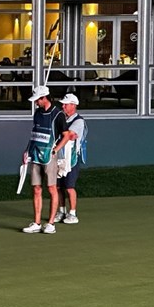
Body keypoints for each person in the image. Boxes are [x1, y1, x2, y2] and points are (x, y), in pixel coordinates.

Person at [22, 85, 72, 234]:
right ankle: (37, 223)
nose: (35, 102)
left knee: (51, 188)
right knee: (36, 189)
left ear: (44, 98)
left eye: (37, 100)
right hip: (35, 155)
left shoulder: (58, 115)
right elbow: (34, 133)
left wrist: (56, 150)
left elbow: (66, 135)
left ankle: (50, 223)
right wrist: (27, 150)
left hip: (49, 155)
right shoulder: (37, 113)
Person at [55, 93, 87, 225]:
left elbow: (70, 135)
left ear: (73, 105)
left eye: (65, 104)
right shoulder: (61, 118)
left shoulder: (79, 121)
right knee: (58, 187)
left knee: (69, 187)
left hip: (71, 158)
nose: (63, 106)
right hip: (59, 157)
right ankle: (61, 211)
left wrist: (65, 135)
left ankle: (72, 213)